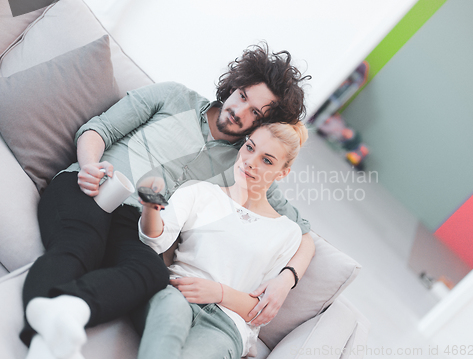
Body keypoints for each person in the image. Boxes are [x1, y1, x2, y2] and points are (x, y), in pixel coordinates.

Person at [21, 43, 315, 359]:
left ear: (264, 124)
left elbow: (304, 234)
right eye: (243, 96)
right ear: (234, 85)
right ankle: (41, 331)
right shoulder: (173, 97)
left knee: (153, 273)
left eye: (256, 112)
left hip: (133, 224)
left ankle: (66, 315)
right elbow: (98, 129)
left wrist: (287, 279)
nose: (240, 111)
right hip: (91, 189)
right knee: (81, 245)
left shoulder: (246, 162)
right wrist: (90, 165)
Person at [136, 122, 308, 358]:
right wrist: (150, 208)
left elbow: (258, 312)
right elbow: (156, 241)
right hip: (176, 294)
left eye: (267, 160)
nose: (250, 161)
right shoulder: (199, 192)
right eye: (249, 148)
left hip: (227, 324)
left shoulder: (288, 232)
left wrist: (218, 292)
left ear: (282, 173)